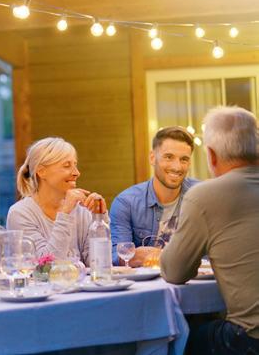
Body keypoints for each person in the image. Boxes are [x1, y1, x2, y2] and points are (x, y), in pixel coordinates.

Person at [160, 106, 259, 354]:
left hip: (250, 338)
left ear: (212, 156)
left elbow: (174, 272)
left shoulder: (204, 196)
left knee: (178, 337)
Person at [6, 137, 107, 266]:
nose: (77, 173)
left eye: (75, 165)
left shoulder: (82, 211)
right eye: (67, 166)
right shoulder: (20, 213)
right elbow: (45, 267)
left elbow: (99, 263)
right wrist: (65, 214)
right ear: (41, 171)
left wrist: (99, 219)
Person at [110, 126, 197, 265]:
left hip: (193, 277)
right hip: (147, 279)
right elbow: (116, 257)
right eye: (169, 157)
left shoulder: (202, 196)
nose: (177, 167)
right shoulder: (126, 203)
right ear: (152, 158)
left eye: (184, 159)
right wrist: (137, 256)